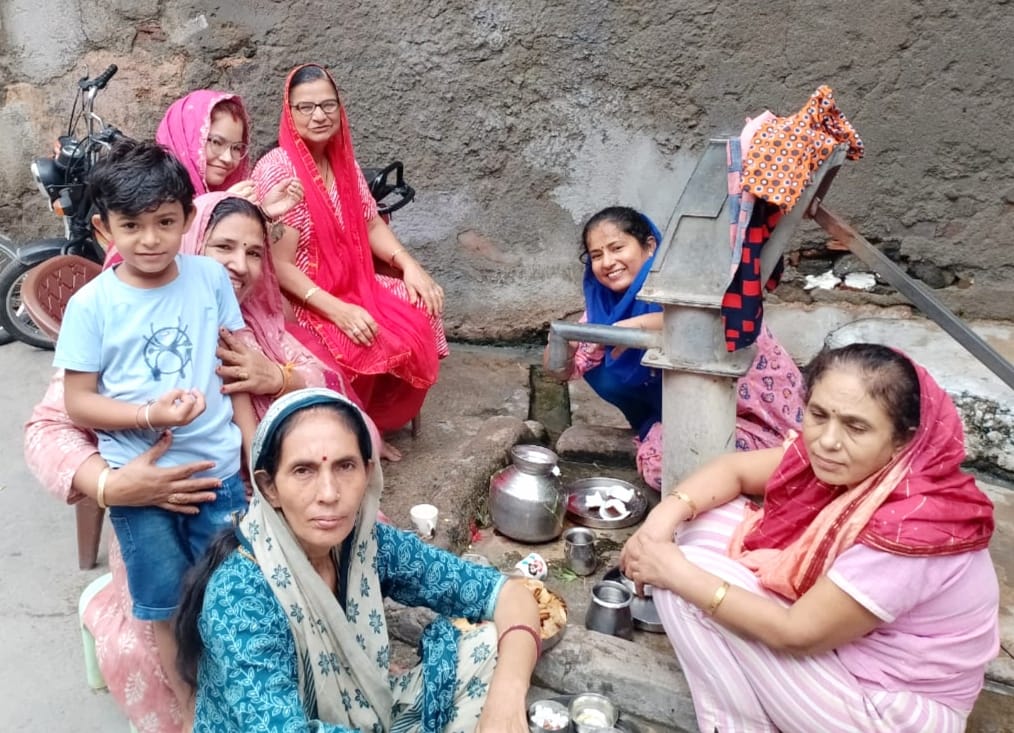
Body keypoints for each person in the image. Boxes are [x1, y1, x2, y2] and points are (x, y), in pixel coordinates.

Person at [26, 191, 351, 732]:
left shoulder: (261, 327)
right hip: (153, 504)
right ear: (194, 242)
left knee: (289, 612)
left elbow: (330, 388)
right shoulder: (122, 314)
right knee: (164, 640)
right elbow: (47, 429)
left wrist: (280, 377)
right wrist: (110, 487)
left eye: (254, 252)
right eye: (224, 247)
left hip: (260, 502)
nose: (239, 265)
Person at [620, 343, 998, 732]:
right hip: (847, 656)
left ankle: (736, 725)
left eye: (856, 427)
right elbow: (733, 470)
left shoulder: (912, 526)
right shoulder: (842, 460)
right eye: (818, 415)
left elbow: (795, 633)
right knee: (696, 519)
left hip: (890, 711)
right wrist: (658, 522)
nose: (828, 440)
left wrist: (674, 572)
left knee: (682, 585)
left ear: (904, 439)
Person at [175, 387, 541, 732]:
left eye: (345, 466)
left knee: (493, 644)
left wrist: (505, 702)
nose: (329, 493)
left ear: (367, 472)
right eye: (303, 471)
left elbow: (508, 595)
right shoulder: (240, 596)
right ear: (269, 487)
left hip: (366, 715)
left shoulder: (365, 546)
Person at [52, 140, 257, 725]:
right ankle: (191, 714)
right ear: (103, 228)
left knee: (230, 600)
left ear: (188, 219)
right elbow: (77, 402)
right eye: (131, 225)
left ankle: (237, 703)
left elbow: (233, 369)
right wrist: (150, 416)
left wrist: (253, 448)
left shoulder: (210, 279)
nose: (149, 239)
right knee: (165, 609)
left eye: (165, 222)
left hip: (217, 476)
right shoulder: (92, 306)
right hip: (141, 491)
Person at [252, 63, 448, 458]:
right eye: (306, 107)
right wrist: (338, 310)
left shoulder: (344, 163)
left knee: (418, 305)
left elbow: (370, 222)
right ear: (289, 112)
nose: (319, 116)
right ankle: (351, 427)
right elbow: (280, 267)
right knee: (357, 336)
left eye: (328, 105)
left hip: (354, 282)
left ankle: (376, 419)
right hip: (301, 296)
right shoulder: (278, 169)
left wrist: (410, 265)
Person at [543, 206, 804, 491]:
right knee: (603, 371)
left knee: (671, 468)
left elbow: (704, 321)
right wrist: (561, 346)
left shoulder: (684, 280)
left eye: (617, 248)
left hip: (757, 416)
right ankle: (672, 433)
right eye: (596, 255)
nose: (607, 262)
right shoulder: (604, 308)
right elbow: (563, 370)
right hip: (697, 413)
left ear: (649, 247)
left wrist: (635, 325)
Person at [156, 89, 303, 216]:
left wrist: (264, 213)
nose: (227, 158)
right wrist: (221, 208)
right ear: (186, 140)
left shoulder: (225, 193)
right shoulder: (154, 196)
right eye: (216, 142)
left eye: (236, 148)